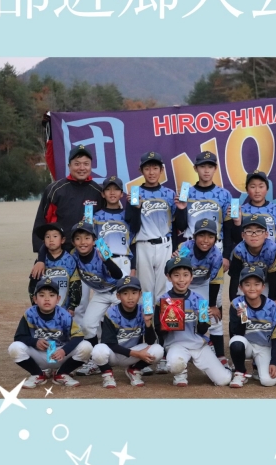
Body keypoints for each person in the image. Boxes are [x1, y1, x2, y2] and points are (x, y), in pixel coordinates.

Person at [131, 150, 188, 373]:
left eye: (155, 168)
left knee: (167, 297)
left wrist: (181, 209)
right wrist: (135, 209)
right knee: (146, 296)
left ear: (162, 170)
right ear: (141, 170)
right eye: (147, 168)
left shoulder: (169, 193)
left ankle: (168, 348)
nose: (151, 172)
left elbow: (180, 226)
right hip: (144, 245)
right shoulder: (135, 192)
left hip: (165, 245)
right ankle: (148, 350)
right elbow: (131, 226)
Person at [154, 256, 232, 388]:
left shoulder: (199, 299)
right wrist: (169, 322)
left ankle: (218, 369)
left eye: (185, 275)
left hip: (198, 345)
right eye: (176, 275)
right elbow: (159, 331)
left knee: (223, 380)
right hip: (176, 345)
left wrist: (202, 319)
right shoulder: (164, 300)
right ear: (169, 277)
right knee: (175, 364)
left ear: (191, 277)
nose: (181, 279)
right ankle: (180, 374)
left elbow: (202, 330)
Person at [8, 277, 93, 388]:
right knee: (14, 347)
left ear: (58, 299)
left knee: (86, 347)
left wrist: (64, 351)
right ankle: (37, 374)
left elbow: (78, 336)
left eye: (52, 295)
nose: (47, 299)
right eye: (42, 295)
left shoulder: (64, 315)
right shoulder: (29, 314)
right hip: (39, 354)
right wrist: (35, 342)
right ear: (35, 299)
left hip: (59, 354)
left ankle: (62, 373)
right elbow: (19, 337)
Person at [69, 220, 125, 375]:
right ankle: (95, 360)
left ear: (94, 240)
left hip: (118, 291)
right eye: (78, 238)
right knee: (87, 325)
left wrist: (106, 259)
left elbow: (118, 275)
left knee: (126, 324)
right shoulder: (73, 256)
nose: (82, 242)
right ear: (73, 242)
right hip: (100, 293)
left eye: (87, 238)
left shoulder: (100, 251)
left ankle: (138, 360)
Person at [91, 276, 164, 388]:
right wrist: (137, 354)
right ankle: (107, 374)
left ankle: (134, 370)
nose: (130, 297)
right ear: (118, 296)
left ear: (140, 294)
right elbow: (109, 343)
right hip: (113, 354)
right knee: (98, 350)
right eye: (125, 293)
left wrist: (147, 321)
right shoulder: (111, 313)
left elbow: (150, 341)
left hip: (132, 354)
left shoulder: (143, 310)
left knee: (158, 350)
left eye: (134, 293)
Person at [175, 219, 228, 366]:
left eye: (210, 236)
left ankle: (220, 355)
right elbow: (175, 272)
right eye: (201, 235)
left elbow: (215, 282)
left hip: (204, 283)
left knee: (211, 316)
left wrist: (212, 305)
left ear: (215, 239)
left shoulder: (216, 255)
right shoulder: (185, 248)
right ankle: (172, 351)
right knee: (178, 315)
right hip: (183, 283)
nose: (205, 240)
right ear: (194, 236)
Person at [32, 144, 103, 253]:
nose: (82, 168)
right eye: (77, 164)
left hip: (90, 252)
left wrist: (106, 256)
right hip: (61, 252)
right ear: (69, 166)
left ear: (91, 166)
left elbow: (104, 226)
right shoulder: (55, 190)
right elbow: (41, 222)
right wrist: (41, 255)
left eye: (86, 164)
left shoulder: (99, 191)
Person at [228, 265, 276, 389]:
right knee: (236, 342)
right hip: (246, 344)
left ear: (263, 287)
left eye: (257, 284)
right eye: (247, 284)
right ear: (240, 287)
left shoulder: (271, 306)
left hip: (264, 346)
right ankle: (240, 372)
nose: (252, 288)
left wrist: (274, 362)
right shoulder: (237, 304)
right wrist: (242, 320)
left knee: (268, 381)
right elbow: (235, 334)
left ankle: (258, 368)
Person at [181, 150, 234, 269]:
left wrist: (226, 256)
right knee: (184, 279)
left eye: (210, 167)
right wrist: (181, 209)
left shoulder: (224, 194)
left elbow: (228, 228)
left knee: (215, 280)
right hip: (189, 244)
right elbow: (180, 225)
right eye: (202, 166)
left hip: (216, 245)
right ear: (195, 168)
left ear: (215, 168)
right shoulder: (186, 193)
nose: (206, 170)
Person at [28, 223, 80, 311]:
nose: (51, 240)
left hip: (64, 309)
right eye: (47, 237)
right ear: (44, 241)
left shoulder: (69, 260)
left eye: (55, 236)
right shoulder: (40, 262)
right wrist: (35, 304)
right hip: (43, 308)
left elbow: (75, 285)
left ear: (62, 240)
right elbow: (33, 285)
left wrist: (72, 306)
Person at [228, 215, 276, 304]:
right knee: (241, 310)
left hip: (266, 283)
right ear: (243, 235)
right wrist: (233, 300)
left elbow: (273, 276)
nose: (254, 235)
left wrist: (272, 298)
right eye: (249, 231)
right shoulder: (239, 250)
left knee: (273, 307)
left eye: (258, 231)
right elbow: (235, 277)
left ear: (266, 234)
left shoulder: (271, 249)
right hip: (246, 284)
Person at [93, 175, 138, 277]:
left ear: (121, 194)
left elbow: (132, 244)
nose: (112, 192)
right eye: (108, 189)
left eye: (116, 189)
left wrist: (133, 268)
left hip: (124, 260)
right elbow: (93, 241)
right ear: (103, 194)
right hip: (103, 260)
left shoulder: (127, 216)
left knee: (125, 288)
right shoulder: (95, 217)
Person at [237, 170, 276, 243]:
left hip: (272, 250)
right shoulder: (241, 210)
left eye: (261, 186)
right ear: (247, 190)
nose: (257, 191)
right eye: (253, 187)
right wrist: (237, 223)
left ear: (267, 189)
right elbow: (236, 238)